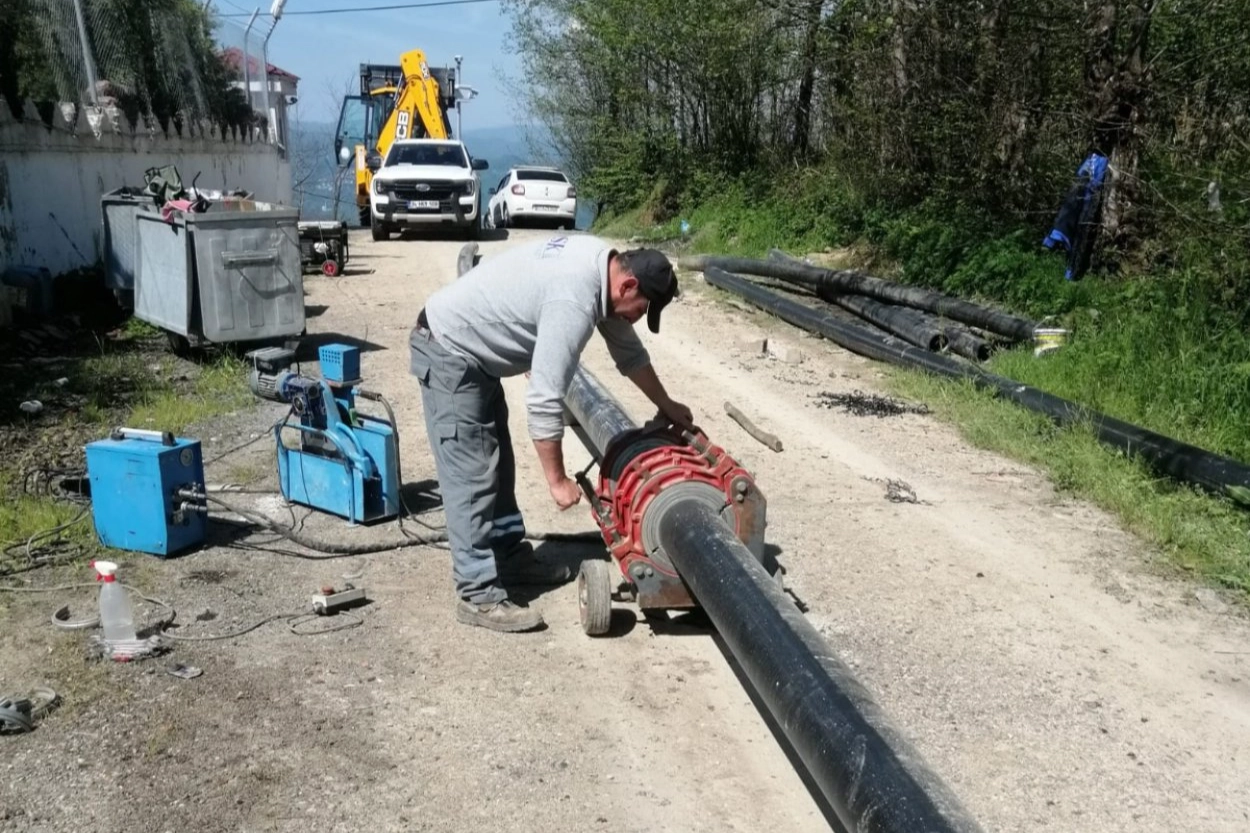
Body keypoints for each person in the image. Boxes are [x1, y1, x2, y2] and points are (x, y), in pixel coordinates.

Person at [409, 235, 693, 633]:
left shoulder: (603, 269)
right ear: (627, 286)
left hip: (475, 357)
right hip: (449, 352)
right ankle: (477, 594)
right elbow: (544, 398)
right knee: (471, 475)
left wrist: (665, 403)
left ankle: (510, 558)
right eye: (642, 309)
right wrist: (557, 481)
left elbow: (629, 354)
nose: (638, 318)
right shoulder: (574, 299)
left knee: (498, 465)